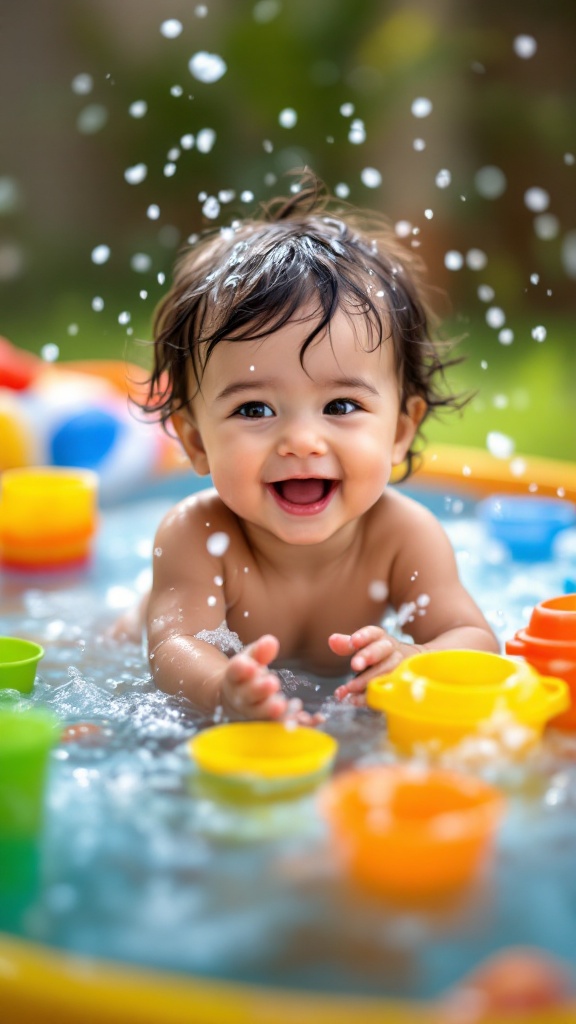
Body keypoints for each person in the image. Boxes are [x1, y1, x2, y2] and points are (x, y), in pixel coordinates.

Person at [124, 171, 498, 721]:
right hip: (152, 627)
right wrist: (219, 689)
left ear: (399, 430)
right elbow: (172, 648)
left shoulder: (404, 536)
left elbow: (475, 638)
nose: (301, 441)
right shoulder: (198, 535)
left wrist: (415, 657)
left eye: (341, 406)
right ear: (197, 441)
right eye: (254, 409)